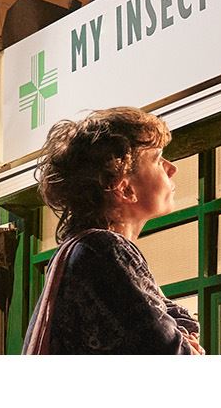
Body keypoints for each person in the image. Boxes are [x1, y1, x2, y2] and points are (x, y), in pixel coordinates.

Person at [22, 107, 203, 354]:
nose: (172, 168)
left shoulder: (82, 252)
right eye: (158, 160)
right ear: (124, 188)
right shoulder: (104, 251)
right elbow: (169, 352)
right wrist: (185, 340)